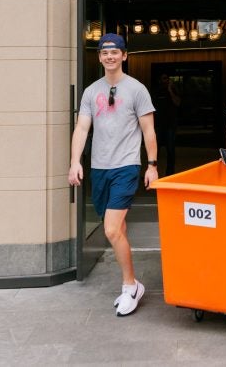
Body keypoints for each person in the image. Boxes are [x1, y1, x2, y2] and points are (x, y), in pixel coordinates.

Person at [68, 33, 158, 317]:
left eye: (114, 52)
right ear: (100, 57)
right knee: (118, 229)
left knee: (109, 229)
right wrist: (75, 162)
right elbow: (82, 129)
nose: (109, 56)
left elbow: (148, 131)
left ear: (124, 55)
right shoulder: (90, 91)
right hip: (99, 168)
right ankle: (128, 283)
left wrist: (152, 165)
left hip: (126, 167)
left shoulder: (137, 89)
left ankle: (131, 286)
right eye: (104, 52)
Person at [152, 72, 181, 176]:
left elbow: (178, 103)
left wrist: (170, 90)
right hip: (159, 124)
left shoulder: (173, 89)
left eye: (166, 78)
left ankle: (170, 173)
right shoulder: (157, 91)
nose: (165, 80)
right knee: (155, 150)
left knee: (170, 150)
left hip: (171, 125)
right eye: (163, 78)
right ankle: (153, 172)